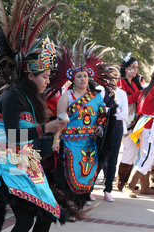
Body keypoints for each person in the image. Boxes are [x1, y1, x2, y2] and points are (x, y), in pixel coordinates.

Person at [0, 0, 70, 232]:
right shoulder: (12, 98)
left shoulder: (32, 99)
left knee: (48, 212)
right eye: (44, 76)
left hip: (27, 161)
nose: (47, 81)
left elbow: (32, 138)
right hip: (8, 163)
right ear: (30, 75)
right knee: (24, 219)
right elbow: (9, 136)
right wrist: (47, 129)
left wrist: (53, 134)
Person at [48, 36, 114, 211]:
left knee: (87, 174)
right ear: (73, 79)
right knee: (70, 173)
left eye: (85, 76)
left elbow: (102, 117)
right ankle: (68, 205)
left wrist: (100, 127)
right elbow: (60, 121)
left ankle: (78, 204)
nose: (83, 79)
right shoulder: (66, 96)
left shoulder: (97, 97)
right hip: (70, 142)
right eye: (79, 76)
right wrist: (56, 140)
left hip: (90, 143)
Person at [123, 66, 154, 197]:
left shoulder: (146, 89)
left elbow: (129, 99)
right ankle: (129, 186)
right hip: (152, 124)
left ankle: (144, 187)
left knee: (147, 155)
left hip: (144, 122)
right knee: (148, 156)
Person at [97, 68, 129, 202]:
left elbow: (124, 115)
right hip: (100, 127)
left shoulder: (122, 94)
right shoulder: (99, 91)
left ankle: (108, 189)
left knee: (113, 159)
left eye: (115, 76)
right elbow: (99, 111)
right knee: (98, 157)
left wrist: (108, 111)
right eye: (110, 77)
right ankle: (88, 188)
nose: (113, 79)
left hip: (116, 127)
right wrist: (113, 110)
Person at [115, 54, 143, 190]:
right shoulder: (120, 83)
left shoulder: (136, 83)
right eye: (132, 67)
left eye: (136, 68)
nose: (135, 70)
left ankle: (125, 181)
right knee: (129, 150)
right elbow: (126, 101)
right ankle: (121, 181)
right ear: (125, 68)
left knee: (133, 150)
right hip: (124, 120)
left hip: (135, 120)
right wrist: (139, 94)